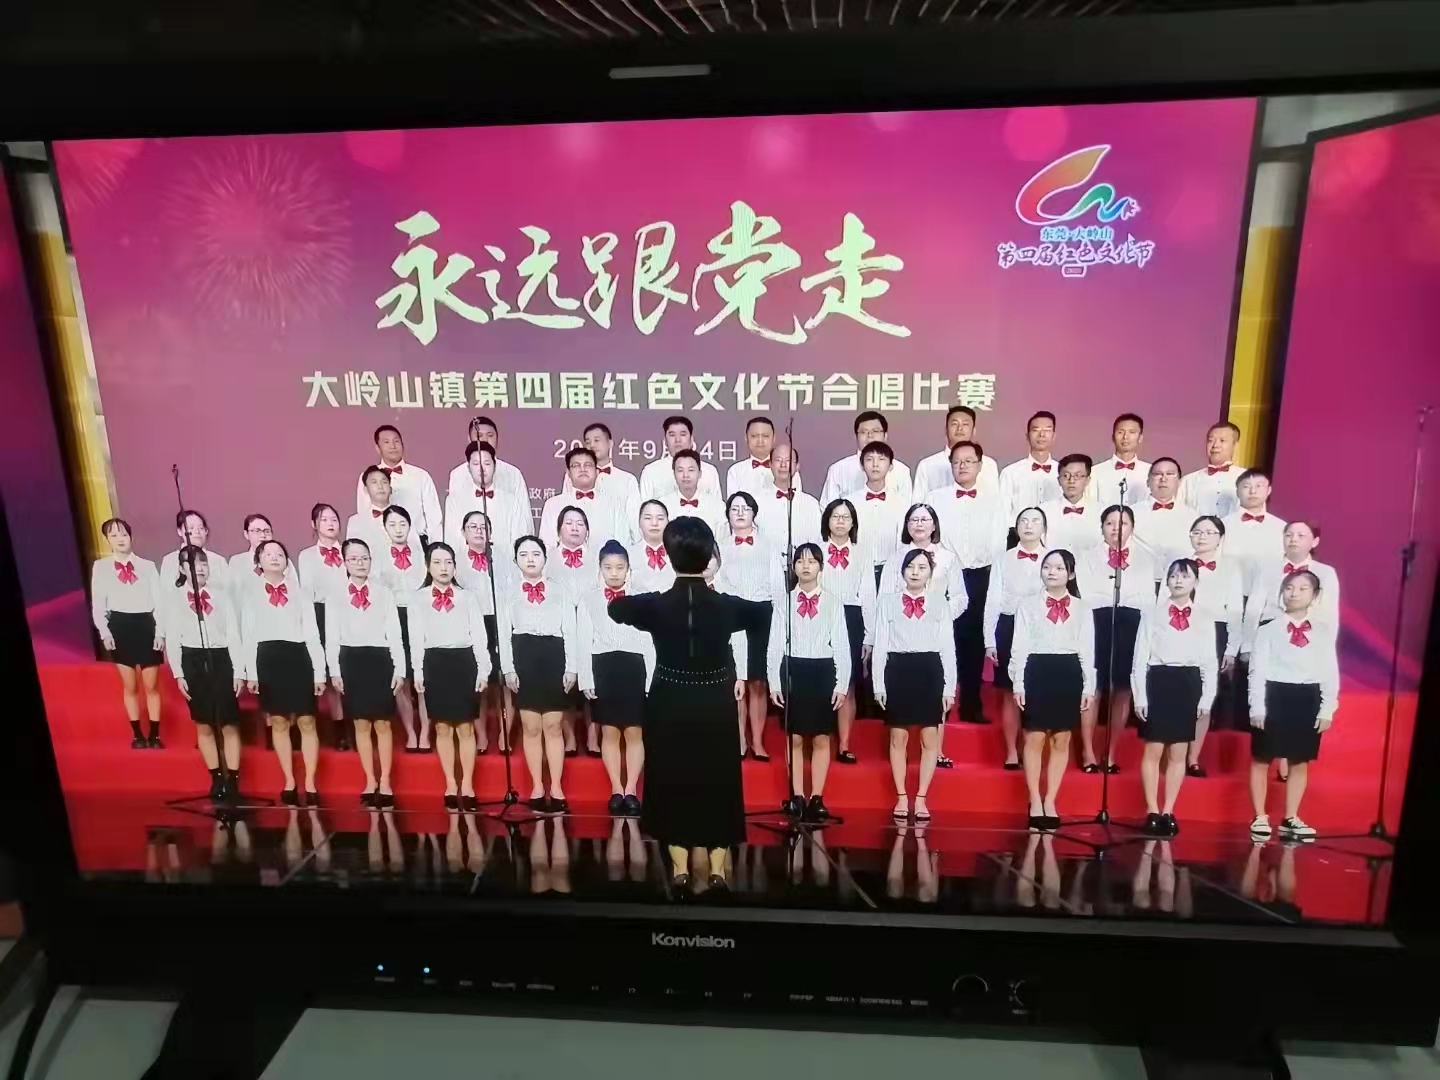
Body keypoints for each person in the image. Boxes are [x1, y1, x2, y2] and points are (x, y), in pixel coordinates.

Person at [607, 516, 769, 891]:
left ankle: (680, 869)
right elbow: (763, 614)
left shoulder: (657, 605)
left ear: (669, 555)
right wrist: (753, 671)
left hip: (669, 700)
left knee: (672, 779)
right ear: (709, 555)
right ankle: (718, 871)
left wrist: (645, 597)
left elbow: (617, 609)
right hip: (715, 701)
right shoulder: (727, 606)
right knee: (718, 782)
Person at [1247, 570, 1340, 842]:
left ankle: (1291, 817)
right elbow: (1257, 671)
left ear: (1315, 595)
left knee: (1300, 760)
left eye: (1302, 588)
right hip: (1274, 694)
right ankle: (1259, 815)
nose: (1294, 593)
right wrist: (1257, 706)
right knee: (1262, 757)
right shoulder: (1268, 630)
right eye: (1289, 588)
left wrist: (1327, 708)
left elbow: (1329, 671)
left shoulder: (1322, 632)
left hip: (1306, 696)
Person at [1010, 549, 1095, 831]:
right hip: (1037, 669)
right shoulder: (1027, 605)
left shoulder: (1083, 608)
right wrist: (1018, 682)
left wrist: (1088, 685)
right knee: (1034, 737)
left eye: (1059, 568)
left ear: (1071, 574)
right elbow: (1019, 645)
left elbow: (1087, 649)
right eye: (1047, 567)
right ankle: (1034, 799)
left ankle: (1050, 800)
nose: (1052, 572)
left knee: (1061, 739)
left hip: (1068, 671)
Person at [877, 503, 967, 767]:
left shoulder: (948, 558)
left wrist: (938, 615)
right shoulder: (895, 558)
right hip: (899, 634)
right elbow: (884, 597)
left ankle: (936, 750)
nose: (919, 524)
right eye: (913, 520)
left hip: (934, 632)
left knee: (937, 686)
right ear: (906, 525)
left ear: (934, 525)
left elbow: (960, 597)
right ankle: (900, 753)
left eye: (924, 519)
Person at [1132, 559, 1216, 837]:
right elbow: (1139, 658)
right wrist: (1140, 696)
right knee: (1153, 750)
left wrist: (1206, 698)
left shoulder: (1204, 616)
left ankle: (1168, 810)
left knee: (1178, 752)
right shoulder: (1152, 613)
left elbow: (1209, 661)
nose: (1178, 581)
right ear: (1166, 581)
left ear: (1196, 582)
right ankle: (1152, 810)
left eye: (1185, 576)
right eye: (1173, 576)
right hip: (1158, 680)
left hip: (1187, 682)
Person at [769, 543, 851, 823]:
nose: (805, 566)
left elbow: (842, 646)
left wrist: (841, 684)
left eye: (812, 561)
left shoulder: (833, 602)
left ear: (821, 567)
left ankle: (817, 797)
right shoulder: (784, 602)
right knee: (793, 736)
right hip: (793, 668)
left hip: (822, 671)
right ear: (793, 567)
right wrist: (774, 681)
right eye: (800, 561)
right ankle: (797, 796)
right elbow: (775, 645)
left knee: (820, 737)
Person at [873, 549, 956, 823]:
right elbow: (880, 644)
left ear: (930, 572)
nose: (915, 572)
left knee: (929, 737)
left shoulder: (940, 603)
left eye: (922, 567)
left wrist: (949, 687)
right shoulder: (887, 602)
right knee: (898, 737)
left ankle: (921, 797)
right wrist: (878, 683)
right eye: (911, 566)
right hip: (898, 669)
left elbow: (948, 647)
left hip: (929, 669)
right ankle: (901, 796)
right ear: (902, 571)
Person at [241, 539, 325, 805]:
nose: (275, 557)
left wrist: (319, 672)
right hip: (268, 657)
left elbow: (312, 633)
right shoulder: (250, 593)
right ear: (258, 561)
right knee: (278, 721)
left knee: (306, 720)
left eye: (280, 553)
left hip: (298, 656)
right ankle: (289, 779)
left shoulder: (300, 592)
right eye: (268, 554)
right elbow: (248, 634)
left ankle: (310, 781)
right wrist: (251, 672)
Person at [498, 536, 579, 813]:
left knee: (553, 726)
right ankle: (536, 786)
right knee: (531, 727)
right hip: (524, 657)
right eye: (524, 554)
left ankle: (555, 786)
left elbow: (570, 630)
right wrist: (508, 668)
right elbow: (503, 634)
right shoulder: (508, 593)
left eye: (536, 554)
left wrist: (572, 667)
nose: (530, 559)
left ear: (545, 558)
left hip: (554, 657)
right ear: (515, 560)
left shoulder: (560, 590)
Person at [325, 538, 405, 808]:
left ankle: (386, 781)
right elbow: (332, 637)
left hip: (380, 659)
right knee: (360, 723)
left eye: (365, 558)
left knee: (383, 723)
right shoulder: (335, 596)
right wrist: (334, 670)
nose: (360, 563)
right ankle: (370, 780)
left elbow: (395, 633)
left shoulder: (384, 593)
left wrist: (399, 667)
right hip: (351, 660)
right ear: (344, 562)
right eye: (354, 559)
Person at [934, 441, 1008, 727]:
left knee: (975, 641)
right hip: (945, 574)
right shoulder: (936, 497)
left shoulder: (994, 499)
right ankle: (939, 702)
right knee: (942, 637)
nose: (962, 466)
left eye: (968, 461)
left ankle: (971, 704)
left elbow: (999, 540)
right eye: (957, 462)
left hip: (981, 575)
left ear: (980, 464)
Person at [577, 540, 654, 817]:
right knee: (609, 731)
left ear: (628, 569)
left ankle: (631, 789)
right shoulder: (589, 599)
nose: (614, 573)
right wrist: (586, 678)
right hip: (603, 666)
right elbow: (583, 639)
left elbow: (650, 641)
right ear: (600, 569)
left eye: (619, 567)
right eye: (608, 567)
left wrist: (650, 679)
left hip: (635, 666)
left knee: (634, 730)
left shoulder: (642, 599)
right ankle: (616, 788)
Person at [412, 543, 491, 812]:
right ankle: (450, 783)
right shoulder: (418, 599)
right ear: (428, 566)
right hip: (434, 663)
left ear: (455, 567)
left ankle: (467, 784)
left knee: (465, 727)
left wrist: (483, 669)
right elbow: (416, 638)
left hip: (463, 662)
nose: (443, 568)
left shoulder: (468, 598)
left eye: (448, 562)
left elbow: (480, 636)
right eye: (437, 562)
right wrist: (418, 671)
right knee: (442, 727)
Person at [1077, 505, 1156, 774]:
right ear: (1101, 528)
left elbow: (1148, 599)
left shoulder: (1145, 559)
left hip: (1132, 622)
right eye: (1109, 523)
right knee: (1093, 685)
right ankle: (1088, 752)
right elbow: (1087, 594)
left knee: (1123, 687)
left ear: (1132, 527)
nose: (1116, 529)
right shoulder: (1087, 557)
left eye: (1122, 523)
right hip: (1096, 621)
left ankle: (1110, 753)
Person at [165, 546, 243, 800]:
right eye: (192, 564)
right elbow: (172, 638)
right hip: (192, 659)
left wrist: (238, 670)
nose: (199, 568)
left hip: (221, 658)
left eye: (203, 563)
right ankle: (216, 778)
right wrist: (179, 673)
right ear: (181, 569)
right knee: (204, 723)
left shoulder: (222, 596)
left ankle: (233, 780)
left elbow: (233, 633)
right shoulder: (175, 599)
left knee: (229, 722)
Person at [984, 508, 1049, 769]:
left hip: (1042, 626)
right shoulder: (1003, 559)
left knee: (1036, 689)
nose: (1029, 526)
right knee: (1010, 691)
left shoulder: (1053, 558)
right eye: (1023, 521)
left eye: (1035, 521)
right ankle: (1011, 750)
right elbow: (993, 599)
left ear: (1044, 528)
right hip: (1008, 624)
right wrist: (989, 639)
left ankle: (1030, 747)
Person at [91, 518, 164, 748]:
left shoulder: (147, 566)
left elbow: (159, 603)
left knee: (151, 686)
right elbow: (98, 603)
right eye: (113, 535)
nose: (120, 539)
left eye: (123, 534)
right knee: (130, 686)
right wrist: (105, 632)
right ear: (107, 540)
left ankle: (155, 735)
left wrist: (160, 633)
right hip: (120, 626)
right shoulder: (101, 567)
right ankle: (137, 735)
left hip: (146, 624)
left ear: (131, 537)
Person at [716, 490, 779, 760]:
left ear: (754, 513)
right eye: (734, 509)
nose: (740, 513)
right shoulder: (720, 546)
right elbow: (717, 582)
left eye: (745, 508)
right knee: (736, 680)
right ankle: (740, 739)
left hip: (762, 613)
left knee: (758, 681)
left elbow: (777, 586)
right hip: (732, 614)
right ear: (728, 515)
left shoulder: (769, 546)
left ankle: (758, 741)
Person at [1183, 515, 1243, 777]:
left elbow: (1236, 611)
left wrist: (1231, 648)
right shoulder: (1180, 565)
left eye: (1209, 532)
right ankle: (1175, 752)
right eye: (1197, 532)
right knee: (1182, 692)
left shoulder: (1230, 568)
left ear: (1220, 538)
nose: (1202, 537)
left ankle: (1193, 758)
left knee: (1205, 693)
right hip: (1182, 627)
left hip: (1215, 631)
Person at [817, 499, 876, 765]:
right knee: (821, 678)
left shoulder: (862, 553)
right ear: (827, 520)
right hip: (820, 614)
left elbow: (868, 596)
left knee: (848, 682)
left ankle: (844, 744)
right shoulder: (815, 550)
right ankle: (819, 738)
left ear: (853, 523)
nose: (840, 522)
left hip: (852, 617)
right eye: (835, 516)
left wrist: (869, 635)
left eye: (845, 517)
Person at [453, 510, 508, 755]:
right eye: (472, 526)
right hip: (471, 623)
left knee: (504, 681)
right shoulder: (455, 561)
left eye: (483, 526)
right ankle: (481, 735)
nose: (478, 531)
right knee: (479, 680)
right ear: (463, 532)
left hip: (500, 621)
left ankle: (505, 733)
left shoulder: (504, 558)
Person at [377, 505, 429, 754]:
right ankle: (410, 731)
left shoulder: (423, 552)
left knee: (423, 674)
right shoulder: (377, 556)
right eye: (392, 524)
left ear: (410, 526)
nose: (398, 529)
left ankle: (426, 730)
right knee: (402, 676)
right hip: (393, 616)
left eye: (403, 524)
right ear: (385, 528)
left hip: (420, 615)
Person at [297, 502, 349, 747]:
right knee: (328, 671)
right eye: (324, 519)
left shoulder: (350, 550)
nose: (330, 524)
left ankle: (355, 723)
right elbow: (307, 591)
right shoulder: (307, 556)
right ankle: (338, 728)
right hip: (320, 613)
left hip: (349, 612)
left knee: (347, 668)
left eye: (334, 519)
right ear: (314, 525)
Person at [443, 440, 534, 559]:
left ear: (495, 466)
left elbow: (519, 537)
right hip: (465, 565)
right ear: (468, 468)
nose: (482, 469)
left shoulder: (511, 501)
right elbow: (452, 540)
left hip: (505, 564)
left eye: (487, 463)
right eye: (476, 464)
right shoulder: (454, 501)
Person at [353, 424, 443, 543]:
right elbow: (364, 512)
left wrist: (435, 547)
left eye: (396, 441)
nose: (393, 446)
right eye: (386, 442)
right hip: (379, 541)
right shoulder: (367, 476)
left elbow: (434, 517)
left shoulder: (421, 475)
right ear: (377, 448)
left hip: (417, 542)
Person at [821, 411, 912, 505]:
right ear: (856, 436)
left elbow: (907, 507)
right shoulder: (838, 469)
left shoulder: (901, 470)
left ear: (885, 436)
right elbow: (828, 508)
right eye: (864, 432)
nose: (870, 436)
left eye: (875, 431)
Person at [1221, 469, 1287, 600]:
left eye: (1259, 486)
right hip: (1227, 596)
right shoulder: (1222, 525)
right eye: (1246, 486)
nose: (1252, 491)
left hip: (1270, 598)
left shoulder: (1282, 527)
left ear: (1269, 490)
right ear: (1237, 492)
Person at [541, 447, 623, 549]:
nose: (582, 469)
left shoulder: (613, 503)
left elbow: (623, 542)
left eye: (588, 465)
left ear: (597, 471)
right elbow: (547, 545)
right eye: (576, 465)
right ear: (568, 473)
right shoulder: (553, 504)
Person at [912, 406, 1000, 501]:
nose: (959, 428)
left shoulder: (988, 464)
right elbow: (917, 504)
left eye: (965, 424)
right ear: (946, 429)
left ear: (973, 430)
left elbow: (995, 501)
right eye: (954, 424)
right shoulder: (927, 465)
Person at [1131, 458, 1197, 585]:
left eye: (1170, 474)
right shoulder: (1131, 514)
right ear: (1148, 482)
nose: (1163, 479)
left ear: (1179, 482)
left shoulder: (1192, 516)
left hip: (1179, 584)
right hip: (1139, 582)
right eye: (1157, 474)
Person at [849, 441, 907, 580]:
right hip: (857, 570)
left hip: (891, 571)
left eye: (881, 459)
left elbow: (903, 541)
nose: (875, 464)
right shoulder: (850, 502)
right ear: (862, 465)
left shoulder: (901, 503)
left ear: (891, 466)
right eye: (869, 459)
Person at [158, 510, 230, 622]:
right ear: (180, 531)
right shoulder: (170, 560)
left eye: (201, 528)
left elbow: (227, 595)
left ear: (206, 531)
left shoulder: (218, 560)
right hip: (181, 620)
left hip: (214, 619)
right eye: (190, 528)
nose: (197, 532)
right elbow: (164, 596)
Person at [573, 422, 641, 535]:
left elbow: (634, 519)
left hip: (617, 540)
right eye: (588, 442)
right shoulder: (574, 477)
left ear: (610, 443)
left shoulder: (627, 480)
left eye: (597, 440)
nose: (592, 445)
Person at [446, 415, 529, 503]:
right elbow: (455, 506)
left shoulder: (513, 473)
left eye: (490, 435)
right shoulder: (458, 474)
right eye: (479, 435)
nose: (485, 440)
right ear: (469, 439)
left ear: (497, 439)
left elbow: (523, 509)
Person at [756, 444, 821, 555]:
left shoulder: (811, 503)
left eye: (788, 460)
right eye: (778, 460)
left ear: (797, 466)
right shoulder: (757, 502)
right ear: (770, 464)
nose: (783, 465)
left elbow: (817, 540)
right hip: (766, 564)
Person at [639, 415, 723, 501]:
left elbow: (717, 505)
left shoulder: (709, 471)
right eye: (672, 435)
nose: (677, 440)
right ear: (665, 441)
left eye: (683, 434)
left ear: (691, 439)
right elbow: (645, 506)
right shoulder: (651, 472)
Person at [998, 411, 1061, 522]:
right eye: (1036, 430)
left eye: (1047, 430)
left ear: (1054, 436)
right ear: (1027, 436)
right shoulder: (1010, 473)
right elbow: (1002, 513)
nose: (1042, 435)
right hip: (1018, 531)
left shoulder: (1063, 473)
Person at [1040, 454, 1101, 557]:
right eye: (1066, 476)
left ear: (1087, 480)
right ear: (1059, 480)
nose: (1071, 481)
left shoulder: (1101, 512)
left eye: (1077, 476)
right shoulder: (1044, 511)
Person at [1179, 421, 1242, 518]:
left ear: (1235, 446)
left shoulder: (1247, 479)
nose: (1215, 445)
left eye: (1222, 440)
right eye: (1210, 440)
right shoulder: (1188, 481)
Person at [1087, 413, 1150, 509]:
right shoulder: (1095, 472)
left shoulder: (1151, 472)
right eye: (1120, 432)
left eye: (1132, 432)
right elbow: (1091, 506)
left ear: (1140, 438)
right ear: (1113, 437)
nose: (1125, 437)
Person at [228, 513, 299, 597]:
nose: (262, 535)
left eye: (267, 531)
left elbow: (294, 588)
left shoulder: (282, 560)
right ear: (246, 534)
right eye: (257, 531)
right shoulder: (237, 561)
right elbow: (231, 592)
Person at [661, 448, 726, 535]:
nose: (685, 475)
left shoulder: (718, 506)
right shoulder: (662, 506)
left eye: (691, 470)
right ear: (674, 474)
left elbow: (723, 540)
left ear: (699, 474)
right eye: (680, 470)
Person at [726, 416, 787, 498]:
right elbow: (734, 504)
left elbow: (797, 501)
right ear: (746, 438)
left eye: (765, 436)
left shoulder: (787, 470)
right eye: (754, 436)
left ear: (773, 438)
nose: (760, 441)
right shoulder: (735, 471)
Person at [629, 500, 677, 594]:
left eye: (660, 518)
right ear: (639, 523)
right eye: (648, 518)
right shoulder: (629, 555)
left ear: (668, 522)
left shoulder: (679, 553)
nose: (654, 523)